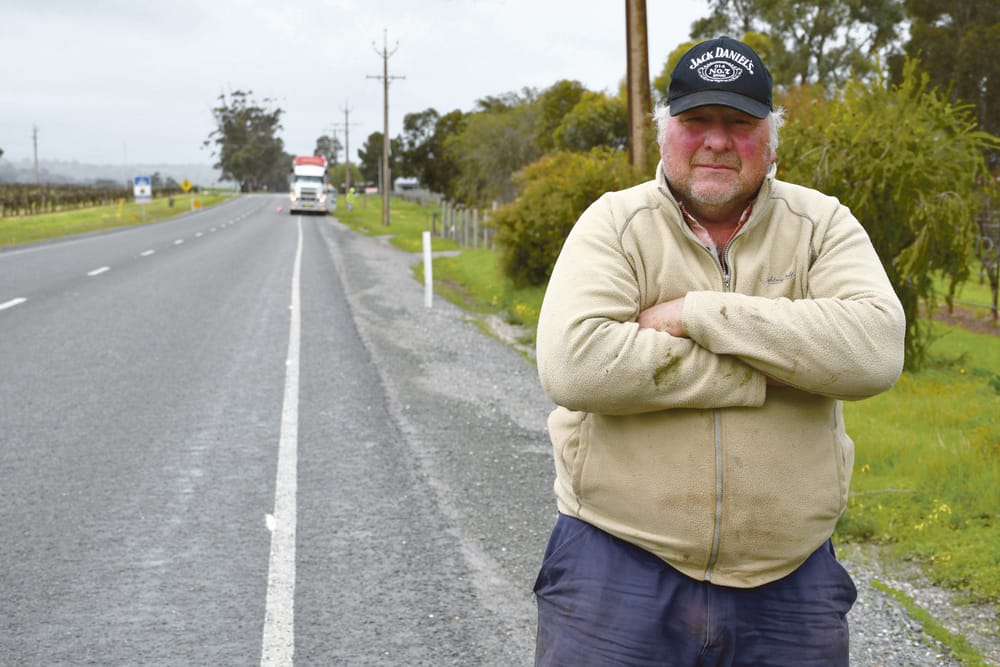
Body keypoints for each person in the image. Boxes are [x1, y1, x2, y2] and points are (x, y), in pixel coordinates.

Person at [532, 36, 905, 667]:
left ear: (771, 139)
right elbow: (576, 365)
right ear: (664, 132)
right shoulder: (614, 223)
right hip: (615, 563)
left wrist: (694, 313)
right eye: (696, 121)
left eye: (739, 122)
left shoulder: (823, 225)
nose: (716, 140)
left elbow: (873, 351)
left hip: (790, 581)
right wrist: (776, 370)